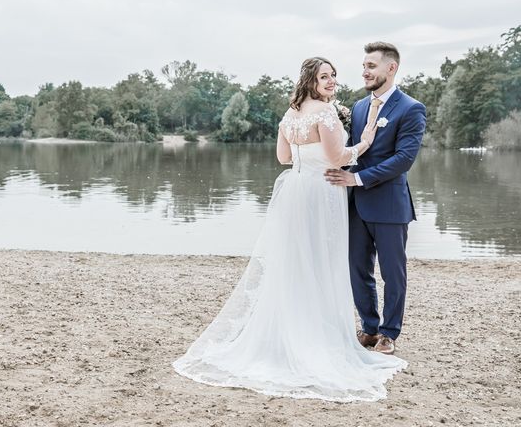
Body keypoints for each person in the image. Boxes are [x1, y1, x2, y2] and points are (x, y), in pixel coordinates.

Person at [173, 57, 406, 402]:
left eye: (333, 76)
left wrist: (310, 151)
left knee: (295, 260)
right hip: (320, 191)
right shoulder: (325, 114)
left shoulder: (290, 114)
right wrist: (366, 141)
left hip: (294, 189)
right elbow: (338, 158)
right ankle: (316, 337)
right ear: (310, 80)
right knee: (320, 261)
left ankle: (286, 331)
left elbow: (284, 157)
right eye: (324, 76)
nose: (331, 81)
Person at [325, 42, 427, 355]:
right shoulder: (356, 108)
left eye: (371, 66)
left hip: (389, 205)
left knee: (393, 272)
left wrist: (356, 178)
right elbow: (351, 151)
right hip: (356, 205)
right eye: (365, 66)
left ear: (391, 68)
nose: (365, 71)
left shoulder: (411, 109)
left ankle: (389, 333)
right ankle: (369, 328)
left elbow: (403, 159)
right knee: (358, 268)